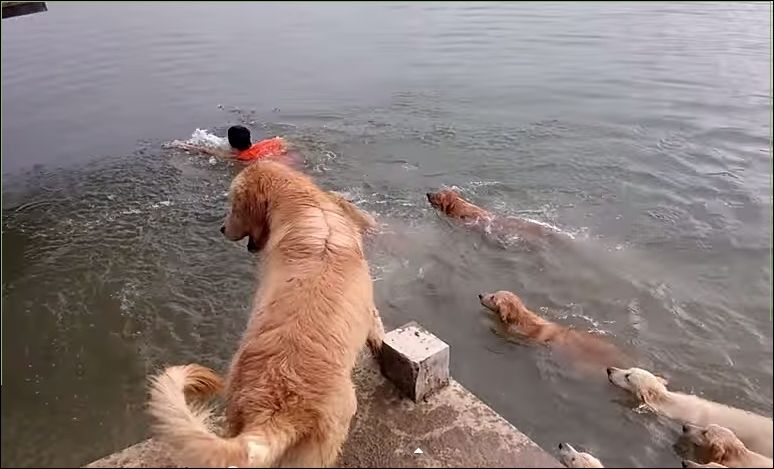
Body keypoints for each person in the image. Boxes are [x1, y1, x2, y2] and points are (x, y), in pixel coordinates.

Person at [167, 125, 289, 162]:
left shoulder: (241, 157)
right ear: (249, 138)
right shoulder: (270, 142)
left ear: (231, 144)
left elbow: (205, 151)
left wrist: (181, 145)